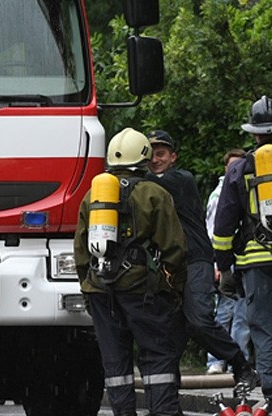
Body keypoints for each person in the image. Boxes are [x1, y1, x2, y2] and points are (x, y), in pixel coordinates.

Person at [75, 127, 187, 416]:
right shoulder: (154, 194)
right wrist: (173, 290)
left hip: (100, 290)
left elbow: (81, 250)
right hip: (143, 291)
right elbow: (174, 248)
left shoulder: (92, 196)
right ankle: (163, 412)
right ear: (144, 157)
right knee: (157, 355)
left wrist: (88, 289)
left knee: (115, 362)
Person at [213, 96, 272, 416]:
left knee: (266, 335)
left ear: (254, 133)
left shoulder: (239, 169)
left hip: (257, 264)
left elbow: (224, 225)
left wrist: (225, 267)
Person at [145, 130, 258, 394]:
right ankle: (166, 399)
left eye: (160, 154)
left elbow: (143, 185)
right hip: (167, 264)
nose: (155, 160)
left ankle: (240, 364)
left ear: (173, 157)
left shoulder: (179, 180)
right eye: (150, 155)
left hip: (195, 259)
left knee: (198, 320)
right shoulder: (147, 185)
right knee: (169, 331)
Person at [205, 149, 251, 375]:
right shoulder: (219, 195)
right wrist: (216, 264)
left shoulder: (243, 188)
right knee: (224, 314)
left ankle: (238, 361)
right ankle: (217, 360)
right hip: (226, 260)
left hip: (241, 258)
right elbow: (212, 230)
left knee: (241, 316)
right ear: (225, 168)